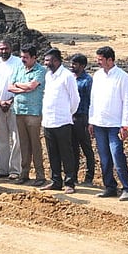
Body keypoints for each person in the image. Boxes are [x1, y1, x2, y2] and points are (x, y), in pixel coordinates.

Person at [89, 46, 128, 201]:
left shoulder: (122, 77)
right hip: (99, 123)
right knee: (104, 157)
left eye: (101, 60)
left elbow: (127, 102)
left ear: (110, 60)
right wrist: (91, 121)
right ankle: (109, 186)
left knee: (117, 155)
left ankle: (127, 188)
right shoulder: (97, 75)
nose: (98, 62)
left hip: (115, 124)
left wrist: (125, 125)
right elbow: (93, 100)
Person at [39, 49, 79, 194]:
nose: (45, 63)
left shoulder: (67, 76)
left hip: (62, 121)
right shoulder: (49, 75)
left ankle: (70, 182)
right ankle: (56, 181)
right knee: (52, 153)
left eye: (48, 60)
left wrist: (68, 113)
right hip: (48, 121)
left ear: (56, 61)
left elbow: (75, 99)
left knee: (66, 153)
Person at [8, 44, 46, 186]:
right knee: (23, 144)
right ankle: (24, 173)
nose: (23, 59)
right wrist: (24, 87)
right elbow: (10, 87)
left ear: (34, 57)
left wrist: (19, 86)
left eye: (26, 57)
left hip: (33, 112)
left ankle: (40, 175)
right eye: (22, 57)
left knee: (35, 144)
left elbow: (32, 86)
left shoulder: (40, 70)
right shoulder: (18, 68)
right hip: (19, 111)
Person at [0, 39, 23, 180]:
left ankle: (15, 170)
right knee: (1, 139)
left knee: (16, 138)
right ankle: (2, 169)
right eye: (1, 49)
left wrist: (10, 101)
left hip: (14, 106)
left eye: (6, 48)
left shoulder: (18, 63)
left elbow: (20, 84)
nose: (4, 51)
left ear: (11, 48)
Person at [70, 54, 96, 185]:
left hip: (82, 117)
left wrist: (90, 120)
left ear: (82, 66)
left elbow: (92, 101)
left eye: (75, 64)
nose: (71, 66)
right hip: (70, 117)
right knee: (73, 148)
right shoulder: (70, 78)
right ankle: (73, 176)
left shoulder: (87, 80)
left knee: (86, 148)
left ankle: (89, 177)